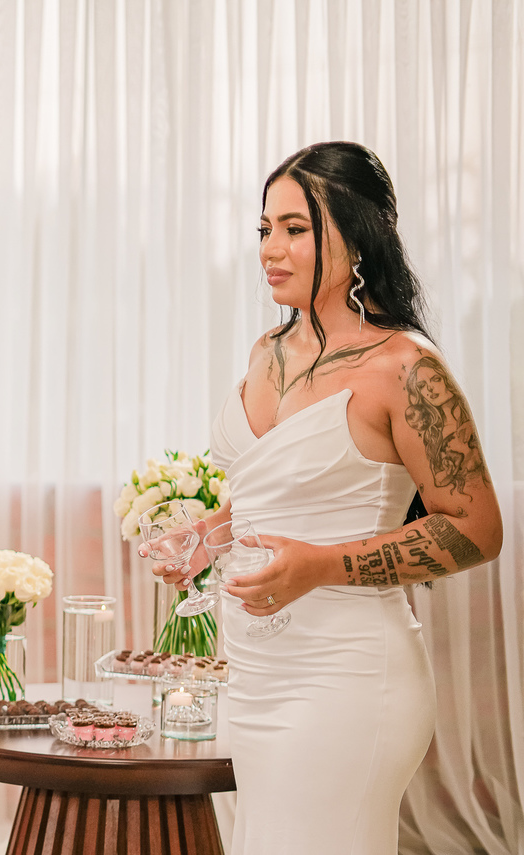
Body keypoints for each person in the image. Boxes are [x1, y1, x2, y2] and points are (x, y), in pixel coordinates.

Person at [143, 142, 501, 854]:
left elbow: (477, 528)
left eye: (295, 229)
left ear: (357, 235)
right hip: (252, 674)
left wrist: (320, 566)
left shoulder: (405, 368)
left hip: (347, 676)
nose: (270, 249)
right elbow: (273, 497)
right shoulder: (265, 351)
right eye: (264, 229)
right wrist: (208, 537)